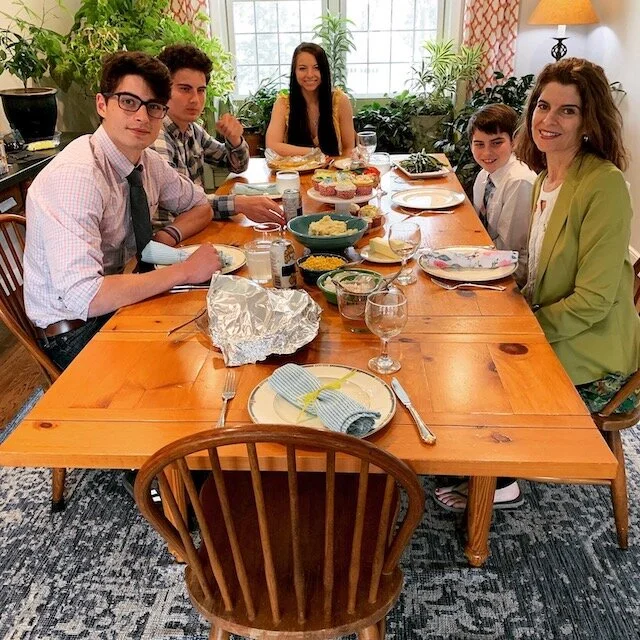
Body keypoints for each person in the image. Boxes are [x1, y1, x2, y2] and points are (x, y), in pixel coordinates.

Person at [435, 58, 640, 513]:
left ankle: (500, 479)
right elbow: (539, 269)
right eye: (543, 106)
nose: (549, 120)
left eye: (568, 110)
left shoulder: (604, 186)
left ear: (589, 120)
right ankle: (467, 453)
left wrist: (523, 329)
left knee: (483, 366)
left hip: (594, 347)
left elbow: (595, 300)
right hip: (555, 321)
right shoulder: (547, 176)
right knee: (459, 331)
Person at [24, 51, 221, 371]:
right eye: (129, 101)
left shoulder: (147, 162)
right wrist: (184, 272)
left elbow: (199, 204)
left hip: (122, 296)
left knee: (216, 326)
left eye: (154, 107)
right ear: (102, 104)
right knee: (189, 367)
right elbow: (86, 297)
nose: (142, 117)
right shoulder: (77, 175)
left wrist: (169, 236)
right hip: (76, 330)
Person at [153, 44, 282, 225]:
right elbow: (180, 201)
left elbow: (237, 166)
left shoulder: (192, 129)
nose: (195, 99)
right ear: (163, 90)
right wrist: (238, 204)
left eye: (201, 90)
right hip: (170, 239)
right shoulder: (156, 135)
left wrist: (235, 139)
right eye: (185, 89)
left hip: (196, 226)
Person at [469, 104, 536, 286]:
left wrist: (466, 256)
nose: (487, 153)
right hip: (487, 254)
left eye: (497, 143)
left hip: (512, 274)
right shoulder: (484, 175)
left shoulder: (519, 181)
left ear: (514, 141)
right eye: (479, 144)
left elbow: (509, 248)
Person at [266, 42, 355, 157]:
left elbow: (348, 149)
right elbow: (272, 146)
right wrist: (314, 153)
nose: (310, 74)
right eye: (302, 68)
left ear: (324, 71)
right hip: (294, 173)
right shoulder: (283, 104)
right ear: (294, 71)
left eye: (316, 68)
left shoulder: (340, 100)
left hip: (332, 172)